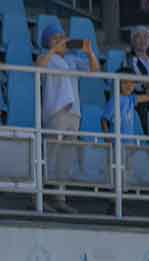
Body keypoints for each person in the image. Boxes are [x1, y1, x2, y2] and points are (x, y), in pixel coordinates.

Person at [37, 23, 97, 213]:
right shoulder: (45, 56)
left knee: (66, 158)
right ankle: (38, 196)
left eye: (62, 36)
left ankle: (59, 199)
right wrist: (54, 48)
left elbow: (94, 71)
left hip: (74, 113)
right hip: (56, 112)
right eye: (55, 37)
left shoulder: (72, 59)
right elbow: (39, 67)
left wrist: (89, 52)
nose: (61, 40)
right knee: (49, 155)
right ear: (47, 42)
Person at [102, 69, 149, 136]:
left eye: (132, 82)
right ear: (118, 83)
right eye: (125, 82)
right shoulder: (115, 99)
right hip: (117, 140)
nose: (129, 85)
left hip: (129, 139)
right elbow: (104, 119)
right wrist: (107, 136)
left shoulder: (131, 98)